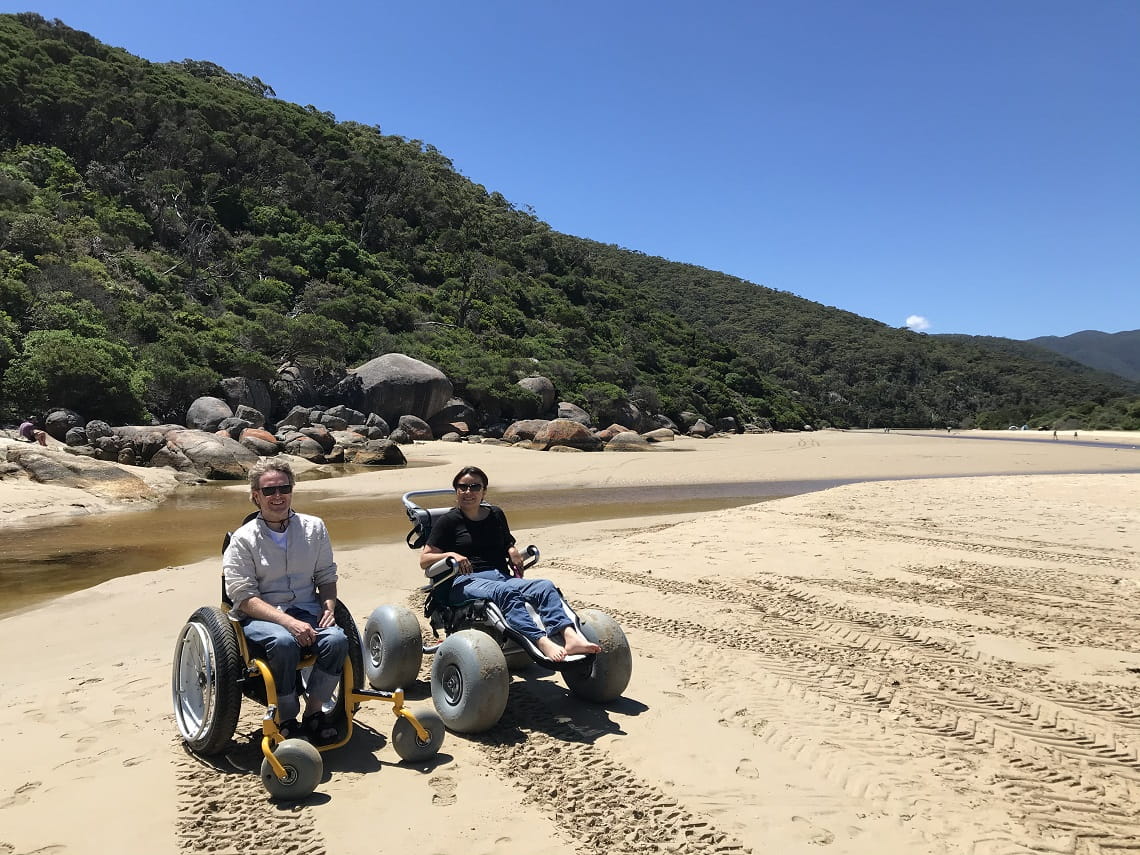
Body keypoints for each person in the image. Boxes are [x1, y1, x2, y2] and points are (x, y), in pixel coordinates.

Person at [421, 465, 601, 663]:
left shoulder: (496, 514)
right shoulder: (448, 521)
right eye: (462, 487)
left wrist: (512, 550)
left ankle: (569, 636)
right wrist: (453, 555)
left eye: (474, 487)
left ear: (484, 491)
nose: (468, 492)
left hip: (500, 576)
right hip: (464, 582)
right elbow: (425, 560)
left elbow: (507, 541)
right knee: (504, 593)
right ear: (456, 490)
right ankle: (540, 640)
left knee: (544, 586)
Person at [223, 459, 348, 744]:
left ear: (292, 490)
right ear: (256, 496)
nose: (277, 496)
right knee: (283, 642)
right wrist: (288, 622)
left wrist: (328, 606)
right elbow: (242, 597)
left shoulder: (314, 528)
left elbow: (326, 575)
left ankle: (314, 713)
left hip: (307, 607)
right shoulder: (243, 540)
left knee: (337, 640)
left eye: (284, 488)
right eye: (269, 491)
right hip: (264, 616)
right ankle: (287, 717)